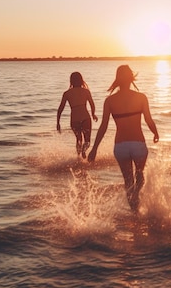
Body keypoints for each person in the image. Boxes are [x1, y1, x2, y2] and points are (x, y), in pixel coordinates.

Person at [87, 65, 159, 212]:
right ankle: (137, 196)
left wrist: (94, 149)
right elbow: (149, 120)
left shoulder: (110, 101)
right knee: (139, 176)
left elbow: (103, 126)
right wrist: (155, 133)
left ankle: (134, 211)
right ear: (132, 78)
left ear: (117, 79)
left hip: (120, 146)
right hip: (138, 144)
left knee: (128, 181)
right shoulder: (141, 97)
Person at [57, 71, 98, 158]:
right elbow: (92, 104)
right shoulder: (86, 91)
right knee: (87, 141)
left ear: (71, 81)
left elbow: (60, 108)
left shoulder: (67, 93)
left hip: (74, 119)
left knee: (78, 139)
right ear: (81, 80)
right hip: (85, 117)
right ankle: (83, 151)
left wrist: (58, 122)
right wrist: (93, 114)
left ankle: (78, 158)